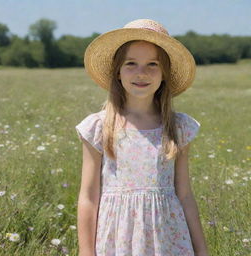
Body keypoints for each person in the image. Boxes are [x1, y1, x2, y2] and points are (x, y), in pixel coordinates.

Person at [75, 19, 209, 256]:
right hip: (118, 241)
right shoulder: (98, 127)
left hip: (168, 240)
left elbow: (185, 195)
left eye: (152, 64)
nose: (141, 73)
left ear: (165, 73)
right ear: (117, 71)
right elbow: (88, 197)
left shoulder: (177, 127)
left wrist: (201, 251)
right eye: (131, 63)